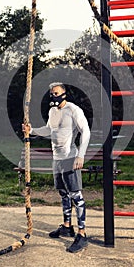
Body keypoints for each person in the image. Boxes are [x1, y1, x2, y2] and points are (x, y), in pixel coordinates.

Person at [22, 82, 91, 253]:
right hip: (57, 159)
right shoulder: (53, 111)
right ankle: (67, 226)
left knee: (76, 194)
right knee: (63, 193)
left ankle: (82, 234)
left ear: (64, 93)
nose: (54, 96)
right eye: (52, 93)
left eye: (57, 93)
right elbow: (48, 130)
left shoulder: (73, 110)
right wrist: (32, 131)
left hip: (70, 157)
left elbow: (86, 132)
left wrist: (81, 155)